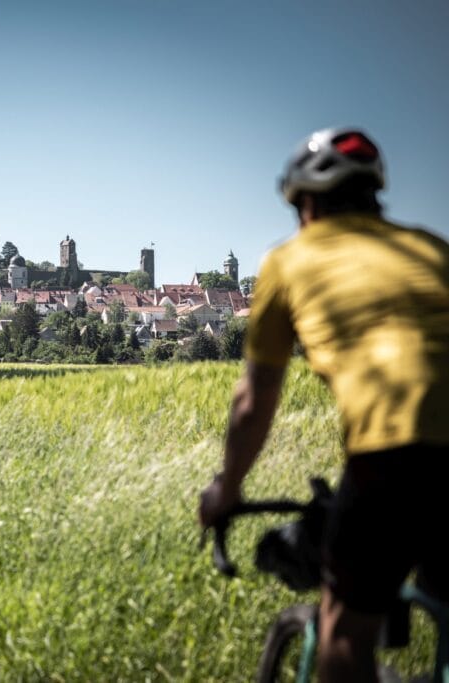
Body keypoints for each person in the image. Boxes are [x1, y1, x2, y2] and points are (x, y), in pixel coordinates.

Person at [198, 127, 449, 682]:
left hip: (397, 452)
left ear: (304, 204)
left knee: (342, 632)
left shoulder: (291, 261)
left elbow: (256, 397)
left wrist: (226, 489)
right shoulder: (432, 248)